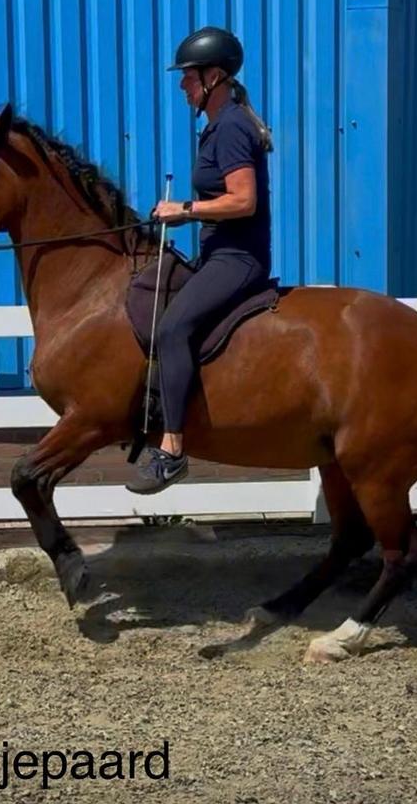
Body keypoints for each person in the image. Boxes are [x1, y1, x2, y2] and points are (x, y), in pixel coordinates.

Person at [126, 26, 274, 494]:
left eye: (188, 77)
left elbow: (243, 200)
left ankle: (171, 449)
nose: (182, 86)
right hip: (216, 251)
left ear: (214, 76)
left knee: (172, 327)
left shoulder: (230, 126)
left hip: (238, 257)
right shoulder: (215, 127)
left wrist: (184, 210)